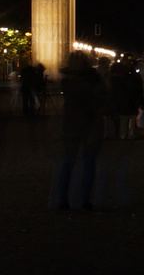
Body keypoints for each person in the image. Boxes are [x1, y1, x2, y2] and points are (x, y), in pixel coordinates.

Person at [53, 50, 104, 210]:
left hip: (71, 124)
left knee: (68, 162)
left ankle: (62, 200)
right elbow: (100, 100)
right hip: (90, 123)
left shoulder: (66, 79)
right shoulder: (93, 79)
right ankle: (85, 200)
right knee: (89, 163)